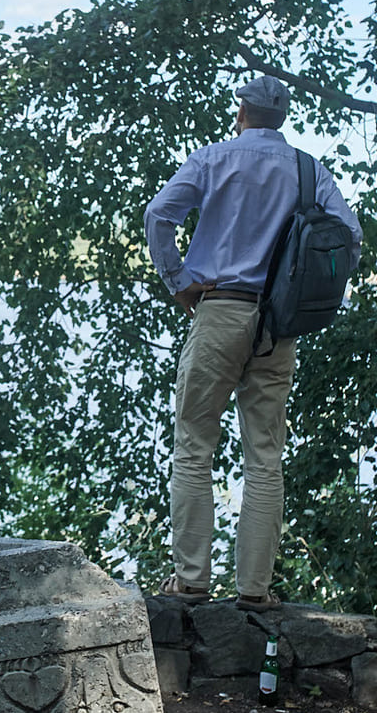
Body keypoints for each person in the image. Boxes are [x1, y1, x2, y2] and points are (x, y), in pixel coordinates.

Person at [143, 75, 362, 612]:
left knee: (194, 445)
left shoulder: (213, 159)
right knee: (264, 454)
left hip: (219, 310)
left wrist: (179, 282)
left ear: (242, 110)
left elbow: (158, 215)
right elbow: (350, 237)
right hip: (277, 324)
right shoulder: (309, 170)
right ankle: (254, 591)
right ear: (282, 118)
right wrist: (304, 291)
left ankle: (192, 581)